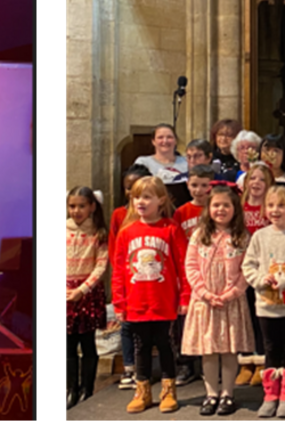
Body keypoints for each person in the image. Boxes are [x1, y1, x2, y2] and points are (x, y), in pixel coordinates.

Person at [112, 176, 189, 414]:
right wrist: (119, 302)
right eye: (136, 197)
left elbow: (183, 265)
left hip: (164, 301)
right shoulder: (126, 232)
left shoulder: (171, 228)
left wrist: (185, 297)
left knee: (165, 344)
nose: (140, 202)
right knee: (141, 346)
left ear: (161, 200)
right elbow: (118, 270)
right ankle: (142, 390)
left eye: (147, 197)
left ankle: (168, 390)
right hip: (136, 302)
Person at [183, 186, 254, 417]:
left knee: (229, 350)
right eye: (216, 205)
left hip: (230, 302)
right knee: (209, 350)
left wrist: (232, 293)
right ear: (208, 208)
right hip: (205, 302)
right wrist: (205, 293)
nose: (220, 209)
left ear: (235, 208)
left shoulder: (242, 236)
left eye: (226, 205)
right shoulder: (199, 234)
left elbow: (247, 269)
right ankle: (211, 393)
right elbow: (191, 266)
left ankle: (227, 394)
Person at [242, 186, 285, 418]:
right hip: (266, 307)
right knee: (271, 350)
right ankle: (270, 395)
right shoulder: (260, 237)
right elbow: (248, 266)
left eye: (281, 205)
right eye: (270, 205)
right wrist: (262, 279)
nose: (275, 210)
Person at [64, 187, 109, 410]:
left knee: (87, 342)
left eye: (82, 206)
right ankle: (72, 388)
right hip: (65, 294)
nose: (76, 211)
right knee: (68, 344)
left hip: (86, 294)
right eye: (72, 206)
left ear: (92, 206)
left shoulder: (98, 232)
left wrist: (82, 289)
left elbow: (101, 265)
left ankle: (87, 389)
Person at [108, 164, 151, 391]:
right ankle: (129, 368)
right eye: (127, 188)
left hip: (150, 278)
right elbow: (114, 247)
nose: (131, 192)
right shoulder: (119, 214)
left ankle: (150, 370)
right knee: (127, 325)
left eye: (136, 187)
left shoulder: (155, 217)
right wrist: (121, 274)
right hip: (128, 278)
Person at [172, 164, 214, 386]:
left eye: (204, 185)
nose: (199, 190)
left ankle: (210, 364)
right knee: (185, 320)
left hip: (212, 270)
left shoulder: (215, 209)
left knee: (209, 319)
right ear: (187, 185)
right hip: (188, 271)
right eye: (194, 185)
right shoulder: (181, 212)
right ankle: (186, 364)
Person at [235, 164, 274, 388]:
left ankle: (261, 362)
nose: (256, 183)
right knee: (244, 316)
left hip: (264, 269)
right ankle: (245, 362)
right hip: (241, 270)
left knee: (261, 317)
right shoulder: (240, 207)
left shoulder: (270, 208)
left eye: (262, 179)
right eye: (253, 178)